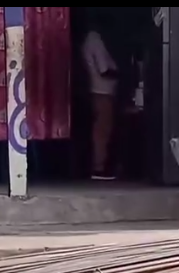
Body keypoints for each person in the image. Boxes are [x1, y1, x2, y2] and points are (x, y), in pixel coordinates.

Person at [81, 23, 118, 181]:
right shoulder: (95, 39)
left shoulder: (89, 39)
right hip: (102, 91)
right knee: (102, 131)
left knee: (99, 130)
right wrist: (122, 73)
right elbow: (104, 69)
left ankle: (98, 165)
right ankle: (99, 167)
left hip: (98, 91)